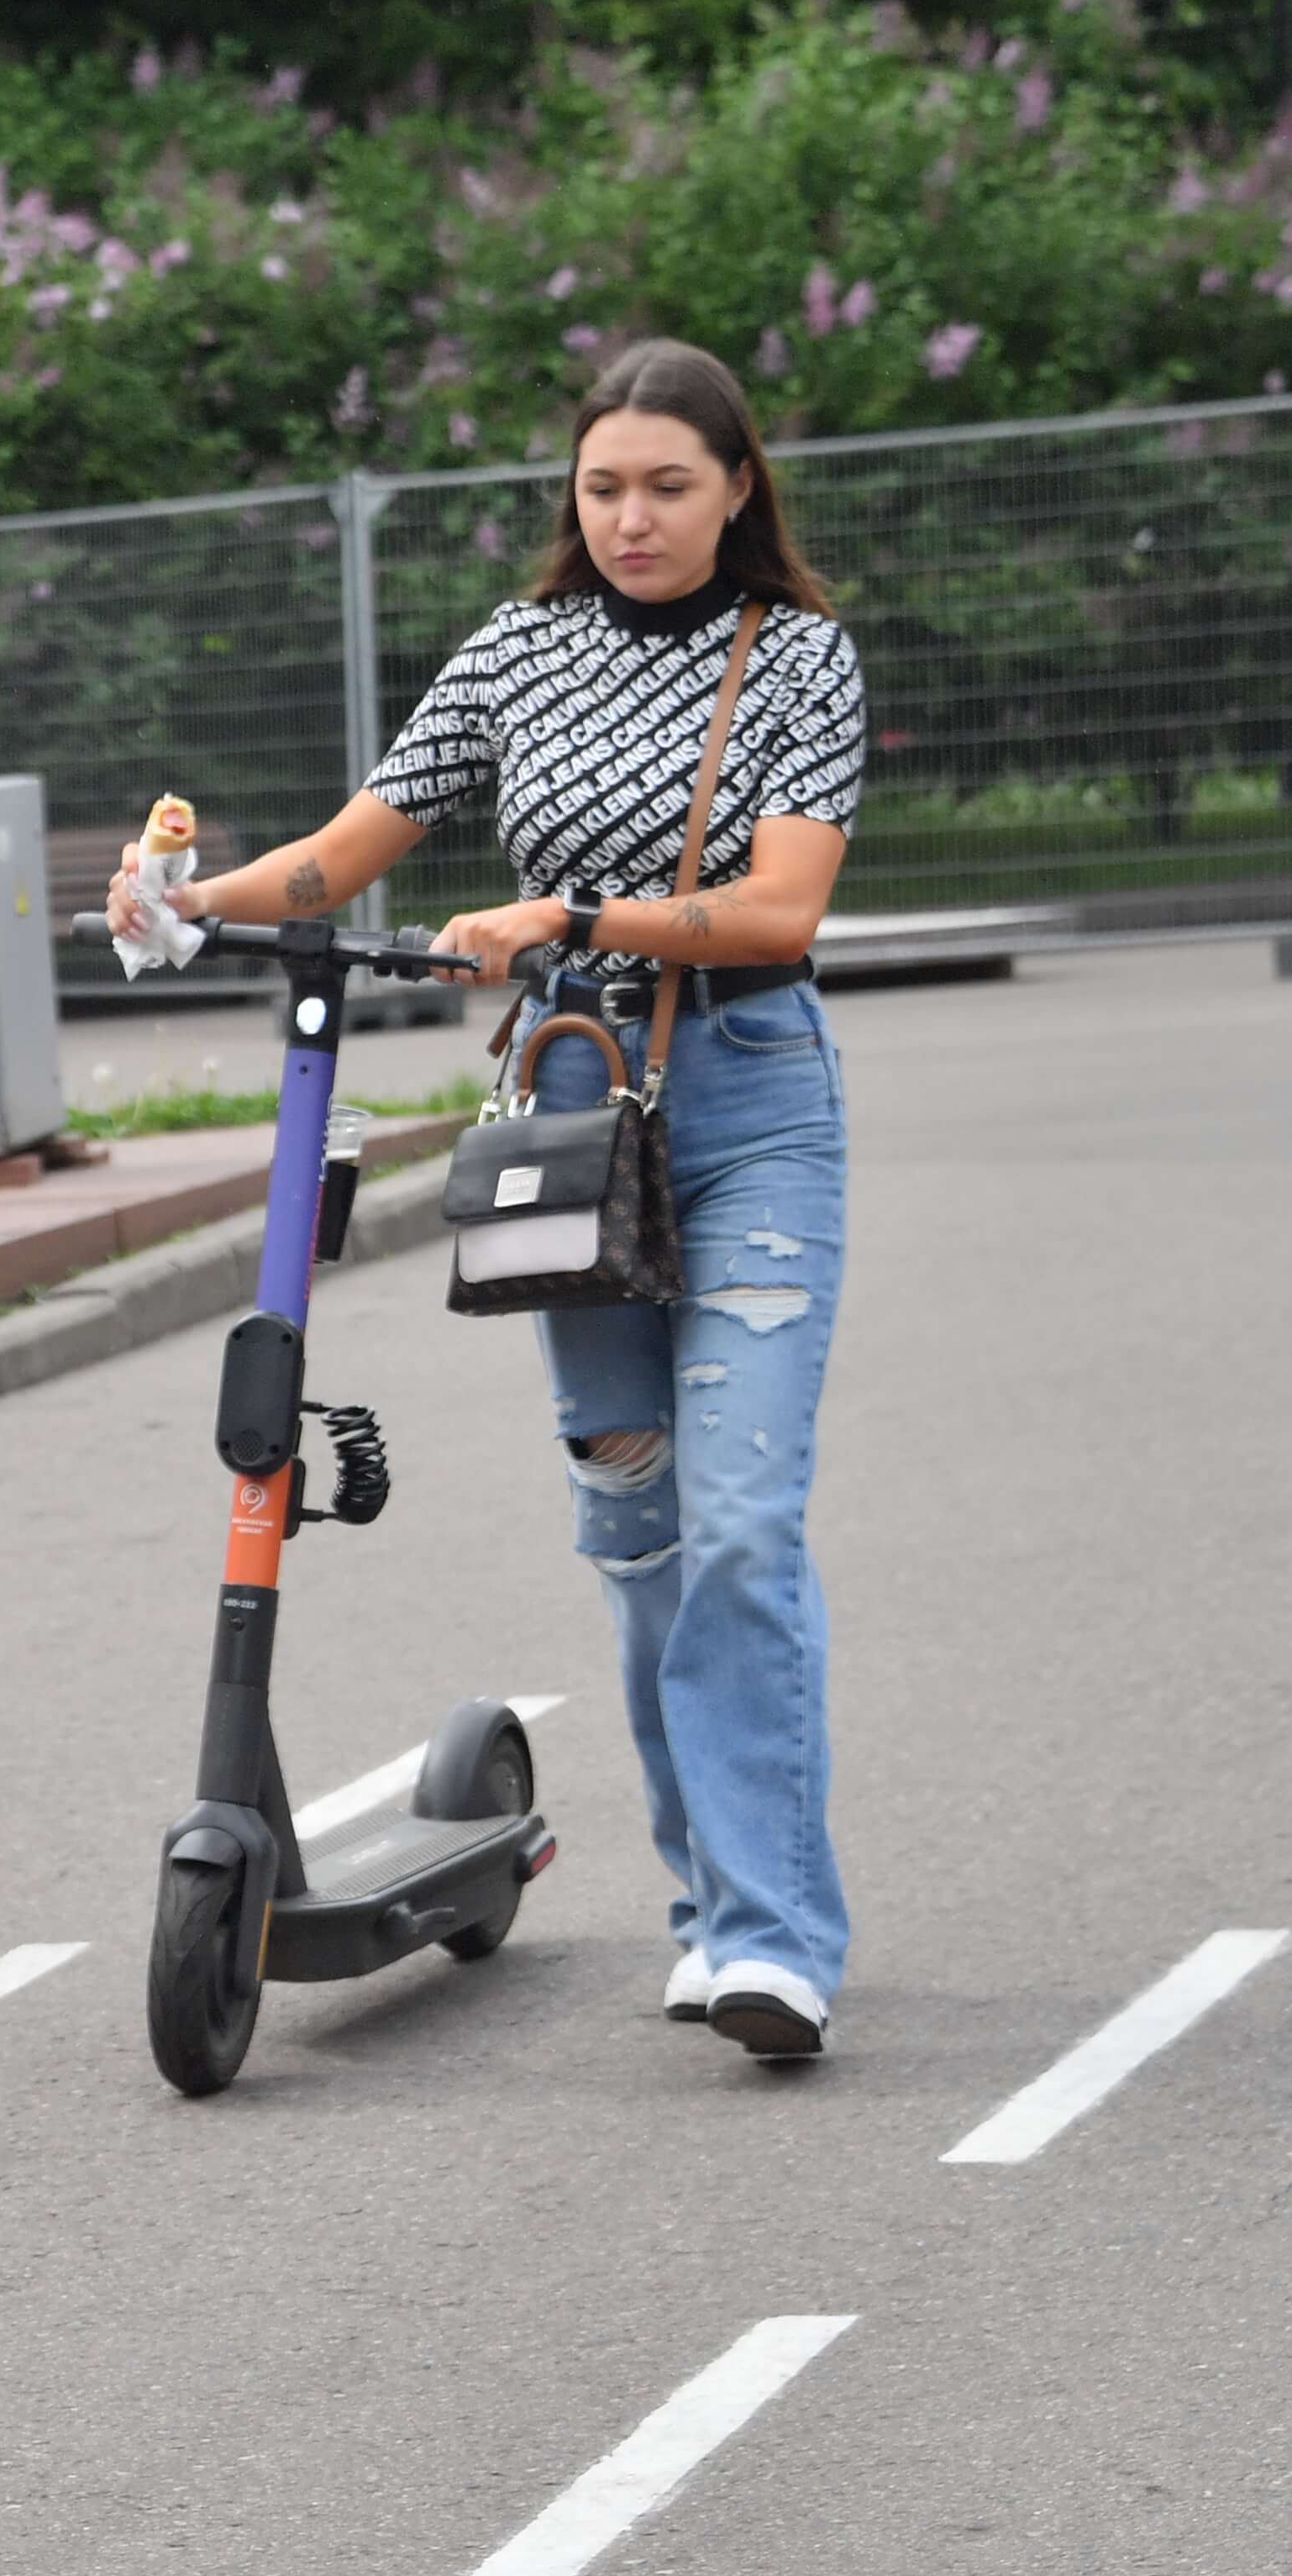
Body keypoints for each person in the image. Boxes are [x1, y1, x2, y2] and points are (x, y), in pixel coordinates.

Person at [114, 334, 865, 2061]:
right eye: (604, 486)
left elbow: (779, 916)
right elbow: (345, 849)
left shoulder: (800, 659)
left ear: (738, 488)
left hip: (749, 1108)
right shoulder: (517, 655)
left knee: (742, 1522)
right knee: (638, 1527)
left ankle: (770, 1933)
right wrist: (181, 903)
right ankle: (711, 1898)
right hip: (572, 1119)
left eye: (669, 485)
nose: (632, 516)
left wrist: (568, 916)